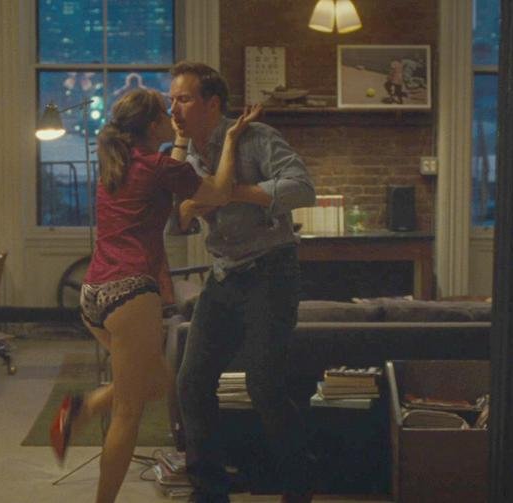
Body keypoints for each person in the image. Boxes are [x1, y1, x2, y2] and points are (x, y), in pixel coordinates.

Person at [48, 88, 263, 503]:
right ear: (151, 126)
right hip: (131, 292)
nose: (173, 117)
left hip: (94, 293)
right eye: (166, 114)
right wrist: (231, 139)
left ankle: (79, 410)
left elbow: (168, 169)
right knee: (128, 413)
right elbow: (219, 192)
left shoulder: (120, 163)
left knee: (159, 382)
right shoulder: (162, 168)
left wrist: (178, 141)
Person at [167, 61, 317, 503]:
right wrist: (187, 208)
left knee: (264, 387)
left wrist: (229, 192)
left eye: (184, 99)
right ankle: (210, 492)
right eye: (172, 99)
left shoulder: (256, 137)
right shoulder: (185, 155)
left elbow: (302, 189)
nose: (174, 109)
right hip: (223, 275)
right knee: (191, 383)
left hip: (271, 272)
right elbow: (178, 223)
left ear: (212, 104)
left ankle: (298, 489)